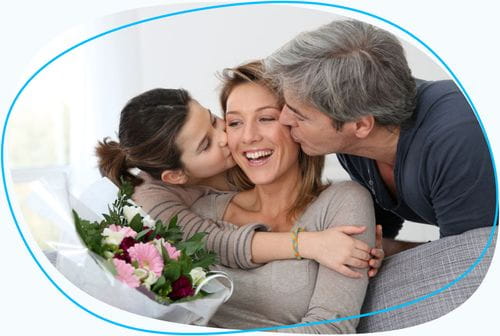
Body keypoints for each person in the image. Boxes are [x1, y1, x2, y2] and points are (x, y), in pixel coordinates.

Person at [264, 19, 496, 256]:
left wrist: (391, 250)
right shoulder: (355, 141)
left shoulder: (459, 140)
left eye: (299, 116)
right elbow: (378, 233)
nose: (283, 119)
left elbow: (469, 261)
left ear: (361, 125)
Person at [96, 87, 382, 277]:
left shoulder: (252, 159)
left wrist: (364, 250)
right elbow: (212, 243)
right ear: (177, 176)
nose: (226, 137)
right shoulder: (150, 201)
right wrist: (308, 245)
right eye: (206, 144)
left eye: (214, 120)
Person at [187, 61, 375, 333]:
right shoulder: (202, 211)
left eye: (266, 118)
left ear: (296, 124)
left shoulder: (342, 203)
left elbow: (330, 329)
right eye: (235, 123)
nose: (249, 137)